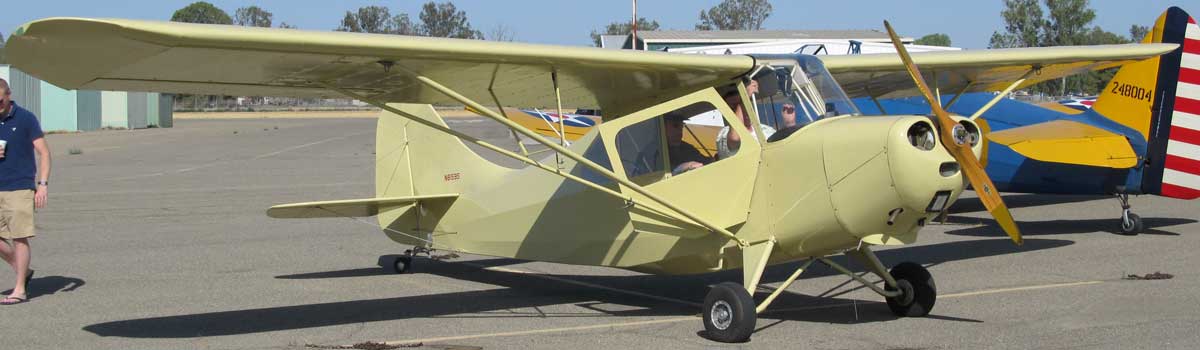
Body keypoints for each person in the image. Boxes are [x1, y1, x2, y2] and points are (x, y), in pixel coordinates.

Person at [0, 78, 50, 305]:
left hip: (19, 187)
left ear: (8, 94)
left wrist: (42, 184)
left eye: (0, 100)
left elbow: (44, 153)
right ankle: (23, 270)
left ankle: (20, 289)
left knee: (19, 237)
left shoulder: (25, 118)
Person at [715, 82, 796, 160]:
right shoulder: (724, 133)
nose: (745, 108)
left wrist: (789, 124)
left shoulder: (764, 129)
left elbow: (782, 147)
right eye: (735, 107)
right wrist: (744, 99)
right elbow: (734, 139)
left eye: (746, 103)